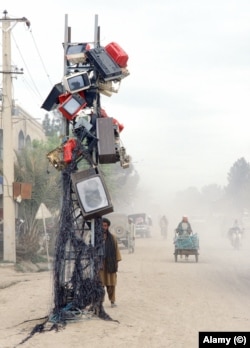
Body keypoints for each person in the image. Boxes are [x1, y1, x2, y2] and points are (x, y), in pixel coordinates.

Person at [99, 217, 122, 308]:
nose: (103, 227)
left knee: (111, 284)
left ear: (108, 226)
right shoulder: (96, 238)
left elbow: (117, 251)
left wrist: (116, 263)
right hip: (100, 264)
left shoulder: (113, 238)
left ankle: (112, 301)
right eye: (102, 225)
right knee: (100, 284)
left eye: (105, 226)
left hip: (110, 263)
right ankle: (99, 302)